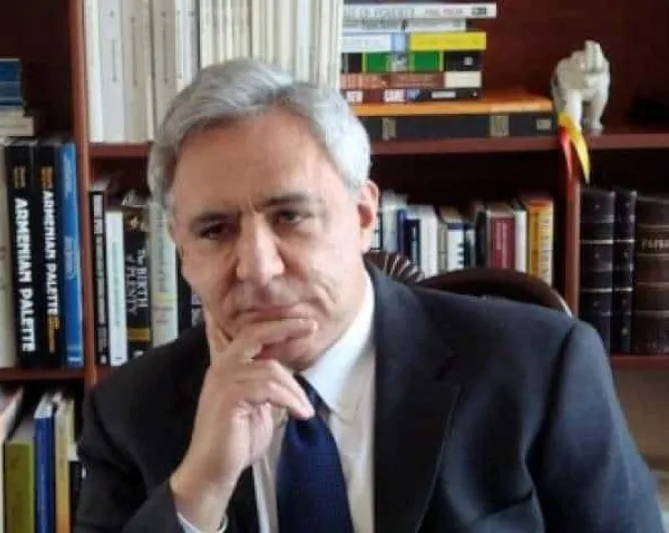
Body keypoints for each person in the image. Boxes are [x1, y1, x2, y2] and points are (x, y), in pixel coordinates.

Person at [74, 58, 663, 533]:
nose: (257, 267)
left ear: (362, 215)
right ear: (180, 249)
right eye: (214, 230)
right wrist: (199, 490)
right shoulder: (128, 414)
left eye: (289, 216)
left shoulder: (540, 369)